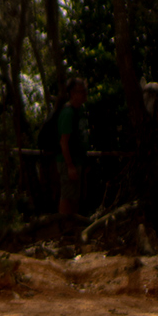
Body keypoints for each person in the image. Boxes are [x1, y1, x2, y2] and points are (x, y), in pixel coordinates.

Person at [56, 77, 88, 217]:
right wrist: (69, 166)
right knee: (67, 196)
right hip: (68, 162)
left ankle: (73, 228)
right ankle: (63, 228)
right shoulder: (68, 113)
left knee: (75, 196)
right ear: (73, 93)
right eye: (81, 92)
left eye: (85, 91)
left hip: (78, 161)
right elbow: (64, 142)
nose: (84, 95)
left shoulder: (80, 112)